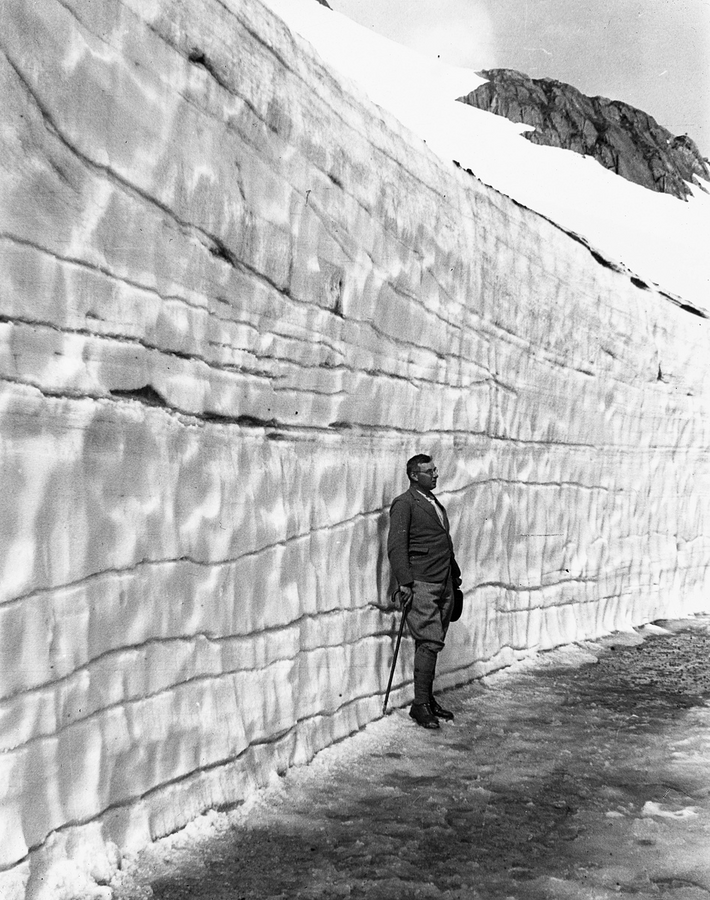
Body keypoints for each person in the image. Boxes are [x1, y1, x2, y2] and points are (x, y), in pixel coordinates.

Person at [387, 454, 463, 729]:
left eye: (435, 469)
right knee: (429, 640)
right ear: (413, 476)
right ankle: (420, 706)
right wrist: (405, 582)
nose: (436, 474)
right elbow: (397, 546)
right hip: (422, 582)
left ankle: (426, 700)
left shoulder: (433, 502)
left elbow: (443, 540)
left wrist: (453, 574)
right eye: (429, 471)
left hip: (443, 580)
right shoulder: (405, 504)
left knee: (433, 641)